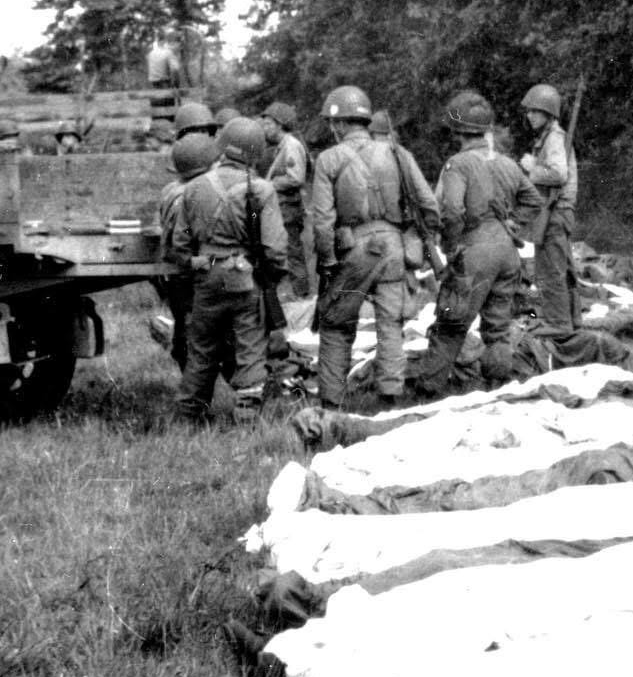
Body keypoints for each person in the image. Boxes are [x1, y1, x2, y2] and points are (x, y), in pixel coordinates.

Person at [310, 85, 439, 410]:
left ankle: (330, 403)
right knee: (390, 325)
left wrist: (327, 261)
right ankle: (390, 398)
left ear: (339, 124)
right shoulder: (398, 153)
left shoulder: (328, 159)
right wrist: (414, 240)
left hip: (352, 252)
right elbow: (429, 206)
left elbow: (323, 221)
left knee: (337, 325)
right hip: (394, 249)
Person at [410, 91, 543, 398]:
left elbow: (453, 210)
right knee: (497, 328)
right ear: (485, 130)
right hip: (508, 253)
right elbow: (532, 200)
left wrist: (451, 246)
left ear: (457, 131)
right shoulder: (508, 164)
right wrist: (512, 223)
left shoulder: (457, 164)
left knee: (450, 323)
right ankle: (497, 387)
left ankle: (428, 391)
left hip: (473, 251)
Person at [169, 116, 288, 423]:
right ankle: (247, 417)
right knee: (249, 346)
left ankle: (188, 415)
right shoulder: (261, 189)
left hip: (206, 277)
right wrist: (267, 277)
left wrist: (197, 266)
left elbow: (180, 244)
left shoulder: (193, 188)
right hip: (245, 278)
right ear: (255, 152)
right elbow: (275, 249)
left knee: (201, 349)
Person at [519, 82, 580, 333]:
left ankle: (558, 325)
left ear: (548, 114)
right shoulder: (550, 138)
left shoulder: (554, 138)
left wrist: (531, 167)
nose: (529, 115)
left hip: (555, 212)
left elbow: (558, 174)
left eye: (535, 111)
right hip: (556, 212)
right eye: (529, 111)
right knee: (561, 269)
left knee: (550, 271)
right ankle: (571, 321)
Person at [157, 132, 219, 371]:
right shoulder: (197, 193)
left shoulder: (170, 190)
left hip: (176, 273)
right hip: (196, 271)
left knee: (185, 327)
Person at [259, 100, 310, 297]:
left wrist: (269, 185)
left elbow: (296, 178)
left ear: (280, 125)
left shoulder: (291, 146)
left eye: (268, 124)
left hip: (289, 209)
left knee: (293, 254)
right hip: (283, 208)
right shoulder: (282, 146)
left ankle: (302, 296)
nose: (265, 129)